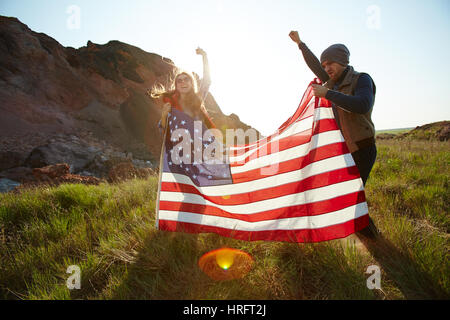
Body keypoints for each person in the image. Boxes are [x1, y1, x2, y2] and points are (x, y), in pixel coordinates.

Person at [289, 31, 379, 238]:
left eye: (330, 63)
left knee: (353, 196)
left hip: (363, 148)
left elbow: (362, 105)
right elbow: (314, 65)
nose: (327, 68)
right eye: (325, 64)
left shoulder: (361, 80)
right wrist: (300, 44)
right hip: (346, 150)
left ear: (343, 62)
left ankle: (372, 239)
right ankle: (367, 236)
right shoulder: (333, 82)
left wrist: (327, 93)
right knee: (348, 195)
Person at [150, 47, 216, 131]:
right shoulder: (171, 104)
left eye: (186, 79)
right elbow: (162, 129)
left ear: (191, 84)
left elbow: (207, 80)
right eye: (179, 81)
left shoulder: (197, 99)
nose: (183, 82)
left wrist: (204, 56)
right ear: (176, 86)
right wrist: (164, 115)